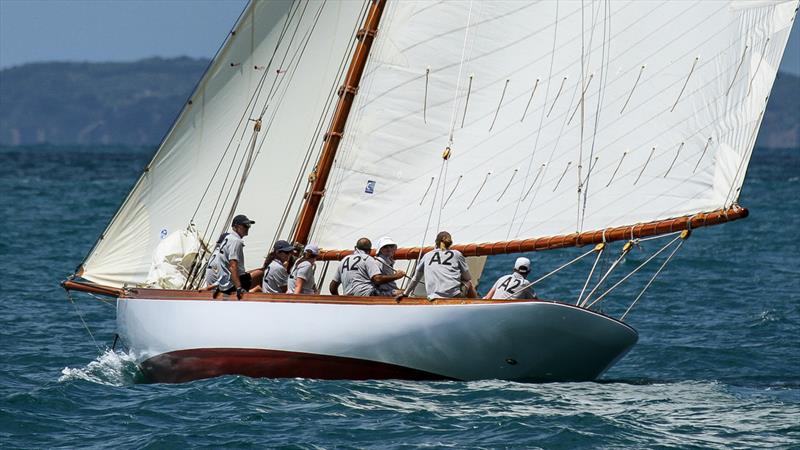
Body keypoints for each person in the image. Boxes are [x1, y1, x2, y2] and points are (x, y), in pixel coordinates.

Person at [398, 231, 477, 300]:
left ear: (436, 243)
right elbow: (467, 277)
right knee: (468, 282)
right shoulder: (456, 254)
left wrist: (405, 294)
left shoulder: (427, 256)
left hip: (433, 296)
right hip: (453, 295)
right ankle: (476, 305)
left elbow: (415, 278)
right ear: (450, 243)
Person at [205, 214, 264, 298]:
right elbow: (233, 266)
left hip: (224, 282)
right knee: (262, 273)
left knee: (253, 273)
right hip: (231, 284)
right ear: (236, 226)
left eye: (249, 225)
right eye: (245, 225)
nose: (248, 228)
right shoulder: (236, 241)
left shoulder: (227, 238)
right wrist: (239, 287)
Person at [329, 237, 404, 297]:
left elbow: (332, 287)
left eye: (391, 247)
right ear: (370, 250)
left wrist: (340, 301)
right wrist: (397, 276)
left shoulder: (344, 260)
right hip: (367, 294)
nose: (389, 249)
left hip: (348, 297)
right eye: (386, 247)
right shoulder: (368, 259)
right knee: (402, 292)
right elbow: (377, 279)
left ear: (355, 248)